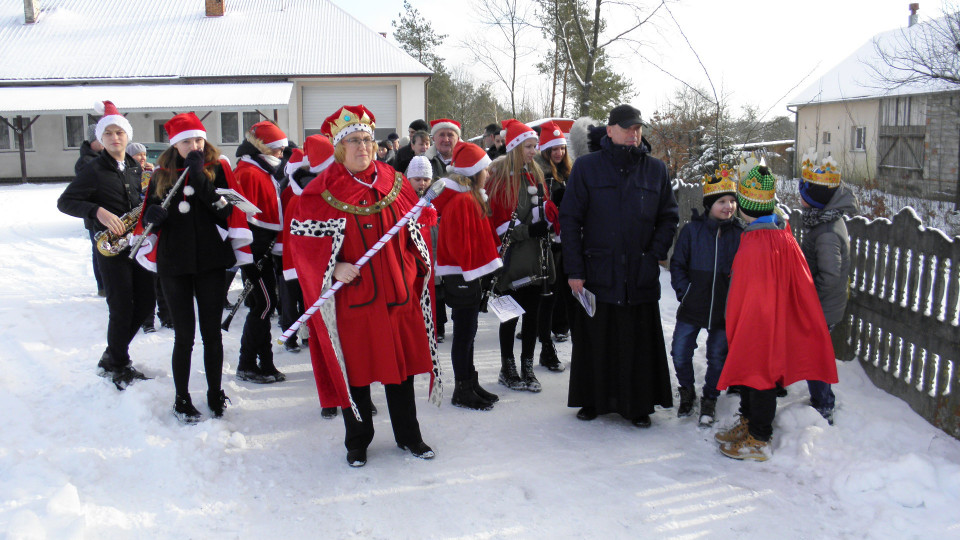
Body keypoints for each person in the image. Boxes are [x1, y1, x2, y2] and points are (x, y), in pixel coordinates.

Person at [288, 105, 439, 467]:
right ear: (340, 148)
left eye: (367, 140)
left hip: (397, 294)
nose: (363, 147)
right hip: (354, 301)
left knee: (400, 372)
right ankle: (358, 440)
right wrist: (334, 266)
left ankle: (409, 436)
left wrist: (413, 261)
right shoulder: (321, 191)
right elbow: (301, 243)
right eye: (354, 141)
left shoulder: (395, 180)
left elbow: (416, 226)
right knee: (354, 373)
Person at [559, 104, 678, 428]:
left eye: (638, 128)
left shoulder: (655, 170)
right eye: (627, 128)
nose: (634, 133)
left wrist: (653, 253)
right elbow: (569, 220)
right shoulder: (586, 168)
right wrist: (575, 270)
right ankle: (592, 400)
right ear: (610, 130)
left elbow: (669, 217)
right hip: (598, 271)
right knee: (597, 339)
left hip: (638, 272)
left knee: (635, 342)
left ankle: (637, 405)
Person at [134, 112, 253, 423]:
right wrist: (152, 218)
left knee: (211, 332)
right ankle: (181, 398)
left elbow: (224, 213)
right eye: (187, 141)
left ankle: (215, 393)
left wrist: (199, 175)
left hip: (211, 261)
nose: (195, 145)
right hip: (174, 263)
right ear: (176, 144)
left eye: (199, 139)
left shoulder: (218, 168)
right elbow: (147, 212)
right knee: (183, 335)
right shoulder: (161, 172)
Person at [714, 163, 838, 461]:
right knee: (748, 374)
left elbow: (776, 287)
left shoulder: (763, 241)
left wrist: (750, 323)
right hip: (754, 322)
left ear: (746, 208)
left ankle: (759, 436)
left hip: (761, 325)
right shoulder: (773, 233)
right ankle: (748, 421)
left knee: (760, 378)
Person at [57, 100, 154, 390]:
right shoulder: (93, 170)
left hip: (135, 244)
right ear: (101, 138)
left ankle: (113, 354)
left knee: (146, 301)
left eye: (119, 133)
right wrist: (96, 211)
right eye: (108, 134)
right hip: (110, 249)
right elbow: (65, 202)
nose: (115, 138)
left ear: (127, 137)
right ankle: (119, 363)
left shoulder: (135, 169)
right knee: (121, 305)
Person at [668, 165, 743, 426]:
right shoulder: (692, 231)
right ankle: (687, 391)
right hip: (693, 304)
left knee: (718, 356)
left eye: (732, 201)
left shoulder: (740, 235)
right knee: (679, 350)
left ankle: (710, 396)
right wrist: (685, 291)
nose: (728, 207)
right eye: (722, 201)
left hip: (724, 309)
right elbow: (677, 264)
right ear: (710, 203)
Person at [430, 142, 503, 409]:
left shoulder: (470, 197)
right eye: (485, 169)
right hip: (463, 275)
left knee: (468, 332)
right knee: (463, 333)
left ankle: (470, 382)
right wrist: (475, 271)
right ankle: (462, 389)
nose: (489, 174)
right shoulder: (463, 201)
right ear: (473, 173)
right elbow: (462, 243)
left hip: (467, 274)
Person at [486, 119, 557, 393]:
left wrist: (551, 218)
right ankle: (508, 367)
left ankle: (527, 366)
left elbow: (543, 208)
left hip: (536, 257)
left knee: (532, 315)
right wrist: (530, 229)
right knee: (510, 315)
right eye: (528, 146)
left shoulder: (535, 174)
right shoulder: (501, 177)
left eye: (534, 146)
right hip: (511, 260)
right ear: (515, 147)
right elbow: (501, 225)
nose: (533, 151)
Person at [798, 151, 859, 425]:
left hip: (822, 307)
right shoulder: (822, 222)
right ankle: (821, 399)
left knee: (815, 357)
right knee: (812, 354)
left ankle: (824, 404)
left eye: (803, 194)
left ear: (814, 200)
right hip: (821, 305)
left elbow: (831, 276)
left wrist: (808, 296)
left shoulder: (827, 232)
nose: (798, 199)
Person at [233, 121, 288, 384]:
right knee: (263, 305)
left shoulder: (261, 170)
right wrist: (251, 253)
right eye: (277, 150)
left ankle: (265, 363)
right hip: (254, 252)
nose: (280, 155)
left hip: (262, 249)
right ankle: (247, 363)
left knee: (263, 305)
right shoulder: (248, 172)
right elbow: (240, 215)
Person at [532, 122, 571, 366]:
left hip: (566, 238)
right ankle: (544, 337)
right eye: (554, 149)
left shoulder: (569, 172)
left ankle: (560, 325)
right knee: (548, 290)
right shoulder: (540, 172)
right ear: (545, 150)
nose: (558, 153)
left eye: (562, 149)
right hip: (546, 240)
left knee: (563, 287)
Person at [76, 124, 106, 297]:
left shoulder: (102, 156)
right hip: (94, 214)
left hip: (105, 213)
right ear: (93, 140)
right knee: (98, 249)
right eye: (101, 138)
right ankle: (102, 286)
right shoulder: (85, 161)